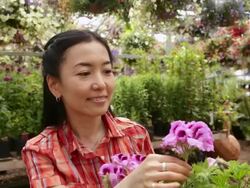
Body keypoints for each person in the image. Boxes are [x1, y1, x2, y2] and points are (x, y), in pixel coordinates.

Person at [22, 30, 191, 188]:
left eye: (107, 71)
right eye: (84, 73)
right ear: (55, 85)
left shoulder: (135, 134)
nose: (101, 84)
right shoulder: (41, 151)